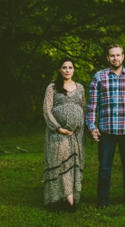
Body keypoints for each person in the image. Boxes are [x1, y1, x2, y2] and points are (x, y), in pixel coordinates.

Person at [87, 44, 125, 209]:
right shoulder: (99, 77)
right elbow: (92, 106)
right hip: (106, 131)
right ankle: (103, 201)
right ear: (108, 58)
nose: (115, 58)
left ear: (123, 57)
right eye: (112, 56)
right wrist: (92, 127)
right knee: (105, 169)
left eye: (118, 55)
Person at [43, 58, 87, 212]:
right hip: (57, 133)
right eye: (64, 67)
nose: (67, 70)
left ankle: (67, 197)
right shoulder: (52, 87)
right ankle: (63, 198)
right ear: (59, 70)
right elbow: (47, 110)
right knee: (61, 162)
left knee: (72, 163)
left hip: (75, 134)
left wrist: (78, 125)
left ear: (74, 69)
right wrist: (58, 128)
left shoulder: (80, 88)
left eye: (70, 67)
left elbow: (83, 108)